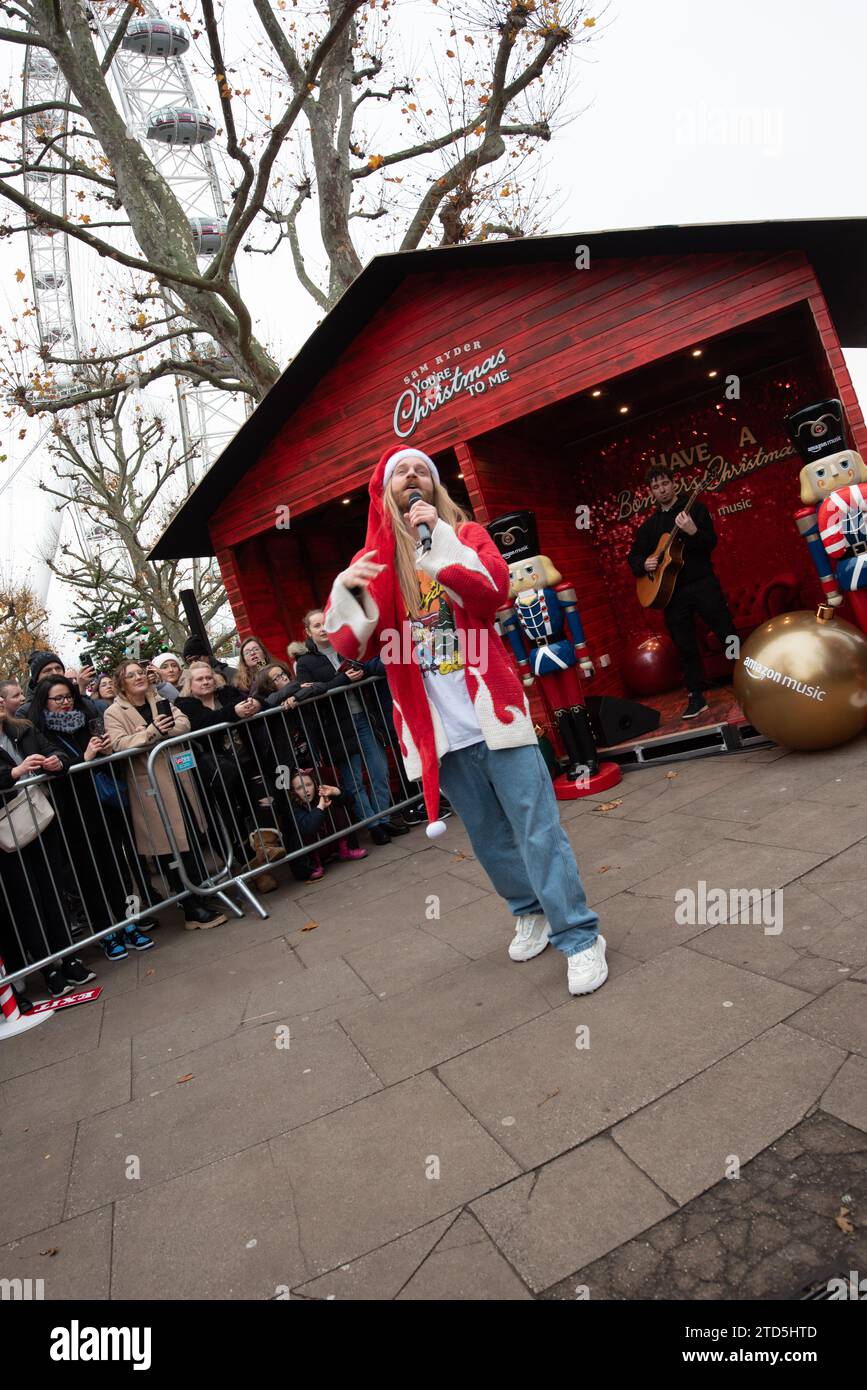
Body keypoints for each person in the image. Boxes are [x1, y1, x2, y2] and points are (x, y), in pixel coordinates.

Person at [323, 444, 607, 997]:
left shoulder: (465, 534)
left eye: (421, 471)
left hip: (494, 714)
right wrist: (348, 591)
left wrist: (442, 543)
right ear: (383, 491)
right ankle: (530, 912)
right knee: (490, 839)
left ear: (434, 488)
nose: (411, 478)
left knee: (537, 831)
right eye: (400, 471)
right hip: (442, 735)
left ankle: (578, 936)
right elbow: (351, 648)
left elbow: (493, 593)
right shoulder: (373, 564)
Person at [25, 676, 155, 959]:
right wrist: (84, 758)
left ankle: (127, 922)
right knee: (88, 872)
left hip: (102, 803)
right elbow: (54, 767)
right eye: (58, 698)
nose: (65, 702)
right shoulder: (40, 731)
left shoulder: (85, 721)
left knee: (115, 866)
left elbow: (104, 760)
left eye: (68, 696)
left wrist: (105, 751)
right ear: (44, 702)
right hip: (72, 810)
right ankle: (105, 931)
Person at [104, 661, 228, 929]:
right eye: (131, 675)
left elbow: (183, 723)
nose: (138, 677)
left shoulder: (157, 698)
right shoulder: (114, 712)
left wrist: (160, 730)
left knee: (191, 835)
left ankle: (201, 893)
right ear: (121, 682)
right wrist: (151, 732)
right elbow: (117, 744)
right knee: (168, 845)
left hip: (179, 777)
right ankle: (190, 906)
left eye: (140, 673)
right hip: (151, 787)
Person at [0, 688, 96, 998]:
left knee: (53, 890)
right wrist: (13, 773)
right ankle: (48, 967)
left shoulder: (23, 729)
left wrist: (58, 762)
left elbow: (55, 751)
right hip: (7, 835)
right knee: (28, 901)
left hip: (41, 820)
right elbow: (9, 775)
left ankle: (68, 957)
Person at [627, 464, 737, 720]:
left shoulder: (695, 509)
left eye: (664, 483)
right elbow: (633, 557)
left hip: (702, 583)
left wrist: (693, 531)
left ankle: (745, 674)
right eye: (655, 487)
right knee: (685, 646)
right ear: (651, 492)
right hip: (672, 595)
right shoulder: (650, 526)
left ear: (674, 483)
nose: (661, 489)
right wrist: (644, 563)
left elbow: (710, 543)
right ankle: (696, 697)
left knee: (726, 632)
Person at [296, 610, 409, 844]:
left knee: (380, 769)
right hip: (337, 726)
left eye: (325, 623)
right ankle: (373, 825)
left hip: (364, 717)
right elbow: (311, 691)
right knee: (354, 779)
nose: (323, 628)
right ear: (308, 632)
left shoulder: (346, 648)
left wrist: (360, 673)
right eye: (316, 625)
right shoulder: (304, 663)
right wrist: (344, 680)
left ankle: (383, 816)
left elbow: (365, 667)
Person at [175, 661, 282, 892]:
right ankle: (254, 874)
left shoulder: (227, 693)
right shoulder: (184, 704)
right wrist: (233, 712)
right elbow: (201, 723)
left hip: (247, 761)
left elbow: (257, 701)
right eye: (200, 679)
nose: (206, 682)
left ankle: (265, 849)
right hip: (217, 774)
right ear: (189, 684)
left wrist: (255, 703)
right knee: (231, 821)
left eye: (208, 677)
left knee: (266, 800)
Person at [288, 769, 368, 879]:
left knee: (338, 805)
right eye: (299, 788)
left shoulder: (322, 795)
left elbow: (351, 801)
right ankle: (313, 866)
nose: (306, 790)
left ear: (315, 784)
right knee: (302, 829)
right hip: (309, 857)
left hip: (327, 846)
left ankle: (347, 849)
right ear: (294, 791)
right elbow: (309, 828)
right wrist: (320, 807)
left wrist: (336, 791)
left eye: (308, 784)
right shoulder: (294, 808)